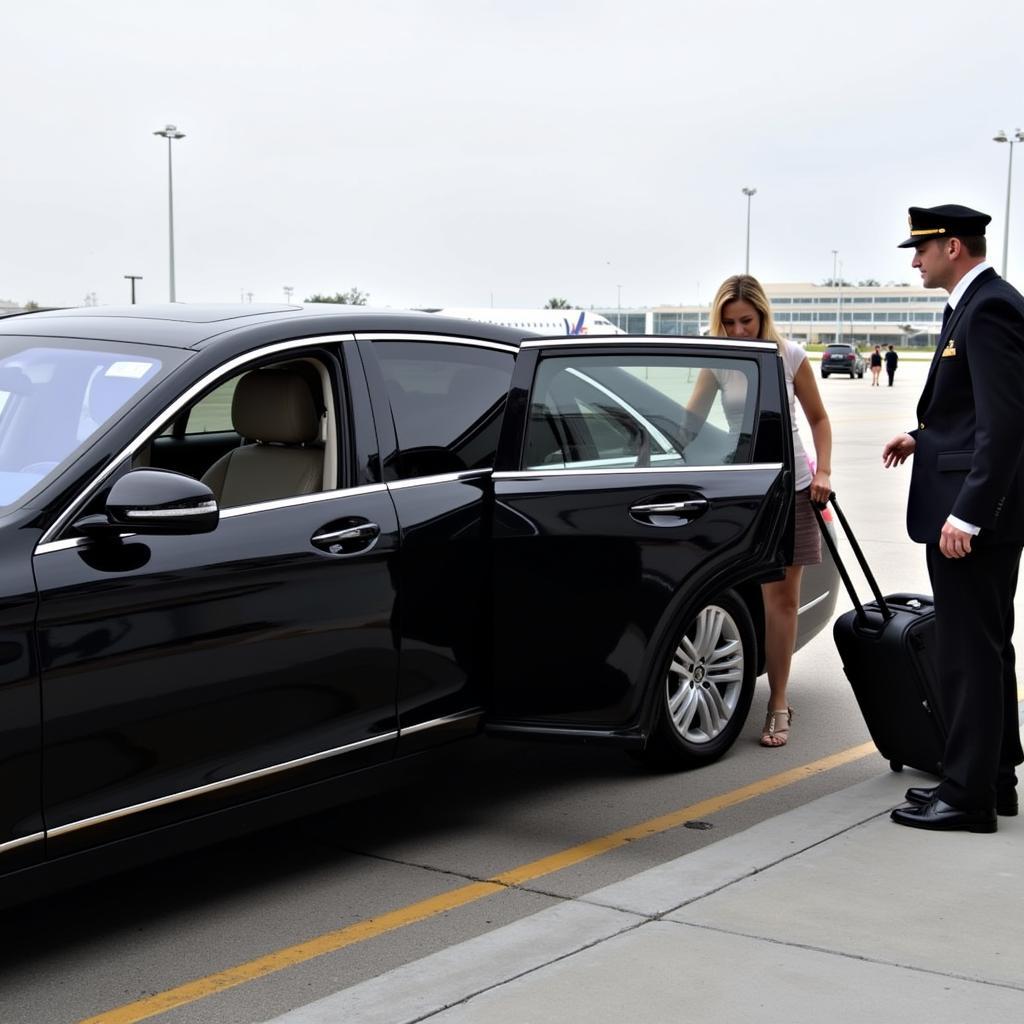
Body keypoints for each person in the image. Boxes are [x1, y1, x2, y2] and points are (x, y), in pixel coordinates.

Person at [883, 204, 1024, 833]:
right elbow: (969, 414)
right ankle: (993, 780)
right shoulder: (972, 305)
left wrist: (968, 515)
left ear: (954, 248)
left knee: (970, 653)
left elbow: (1007, 422)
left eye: (921, 249)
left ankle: (967, 797)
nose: (915, 260)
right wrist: (924, 437)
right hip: (972, 503)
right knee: (986, 650)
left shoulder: (988, 307)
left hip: (972, 516)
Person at [686, 275, 833, 747]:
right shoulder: (719, 362)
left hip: (792, 490)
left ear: (762, 316)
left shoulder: (787, 355)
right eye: (728, 322)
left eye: (746, 321)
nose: (737, 331)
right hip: (742, 488)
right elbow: (689, 424)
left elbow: (818, 418)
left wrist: (825, 471)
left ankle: (778, 702)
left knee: (782, 600)